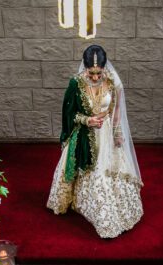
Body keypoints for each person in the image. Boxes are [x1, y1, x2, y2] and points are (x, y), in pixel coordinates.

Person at [46, 45, 143, 239]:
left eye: (99, 73)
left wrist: (117, 133)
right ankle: (89, 207)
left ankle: (113, 213)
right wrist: (87, 120)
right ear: (85, 68)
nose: (96, 77)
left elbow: (116, 111)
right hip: (85, 135)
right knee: (90, 171)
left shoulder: (113, 81)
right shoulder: (76, 84)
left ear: (105, 68)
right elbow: (68, 114)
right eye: (92, 73)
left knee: (108, 171)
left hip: (106, 133)